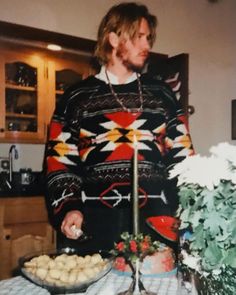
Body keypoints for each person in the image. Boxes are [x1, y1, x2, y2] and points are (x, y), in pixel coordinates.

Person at [44, 2, 194, 253]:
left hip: (156, 225)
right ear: (113, 38)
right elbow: (60, 162)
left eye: (149, 38)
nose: (148, 46)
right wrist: (69, 207)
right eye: (139, 38)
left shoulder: (163, 96)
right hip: (94, 226)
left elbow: (184, 160)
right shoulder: (77, 97)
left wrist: (188, 212)